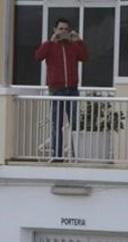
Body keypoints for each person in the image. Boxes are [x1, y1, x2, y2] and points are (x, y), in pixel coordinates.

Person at [34, 17, 88, 159]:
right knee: (56, 124)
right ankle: (58, 156)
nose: (63, 32)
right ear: (55, 30)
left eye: (66, 29)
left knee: (75, 125)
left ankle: (75, 155)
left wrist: (78, 41)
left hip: (72, 89)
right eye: (60, 29)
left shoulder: (73, 46)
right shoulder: (50, 46)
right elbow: (38, 56)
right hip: (56, 90)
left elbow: (85, 57)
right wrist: (51, 41)